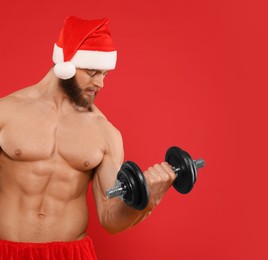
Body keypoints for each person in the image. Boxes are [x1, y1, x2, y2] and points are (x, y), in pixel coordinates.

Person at [0, 16, 176, 259]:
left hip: (71, 253)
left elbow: (110, 218)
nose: (100, 83)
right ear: (65, 65)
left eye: (104, 74)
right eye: (92, 72)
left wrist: (146, 201)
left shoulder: (105, 133)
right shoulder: (5, 113)